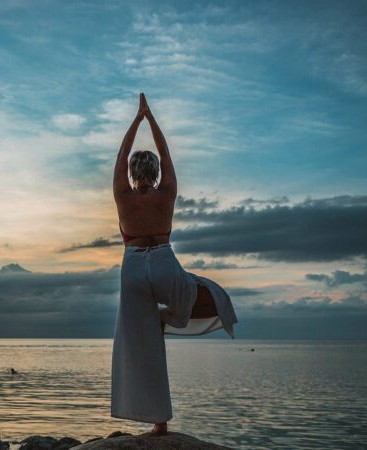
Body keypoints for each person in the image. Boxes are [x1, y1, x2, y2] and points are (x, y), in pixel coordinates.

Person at [110, 93, 237, 435]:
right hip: (163, 260)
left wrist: (136, 120)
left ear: (134, 173)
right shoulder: (166, 193)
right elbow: (165, 155)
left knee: (141, 342)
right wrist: (151, 119)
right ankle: (172, 317)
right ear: (154, 172)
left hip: (133, 265)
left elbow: (121, 156)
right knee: (189, 297)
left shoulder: (123, 195)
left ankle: (156, 420)